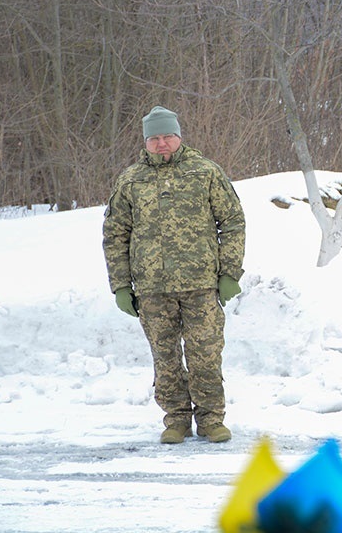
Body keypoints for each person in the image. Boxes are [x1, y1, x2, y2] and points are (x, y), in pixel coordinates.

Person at [103, 105, 246, 445]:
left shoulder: (205, 173)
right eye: (154, 138)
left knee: (206, 354)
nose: (162, 143)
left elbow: (233, 222)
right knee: (165, 358)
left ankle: (211, 419)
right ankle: (176, 419)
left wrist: (229, 273)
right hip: (152, 289)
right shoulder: (130, 180)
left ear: (179, 137)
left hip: (201, 285)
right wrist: (121, 285)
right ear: (146, 142)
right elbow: (115, 234)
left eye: (167, 136)